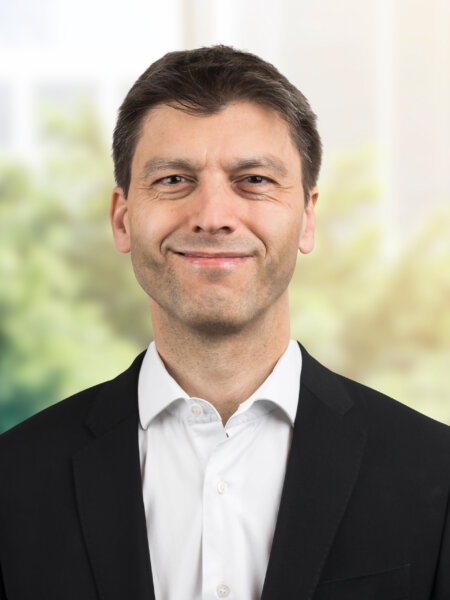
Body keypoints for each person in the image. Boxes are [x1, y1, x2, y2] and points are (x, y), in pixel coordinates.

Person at [0, 45, 449, 600]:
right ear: (122, 218)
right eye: (173, 180)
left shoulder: (436, 471)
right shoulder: (13, 480)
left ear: (308, 218)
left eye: (254, 179)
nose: (212, 217)